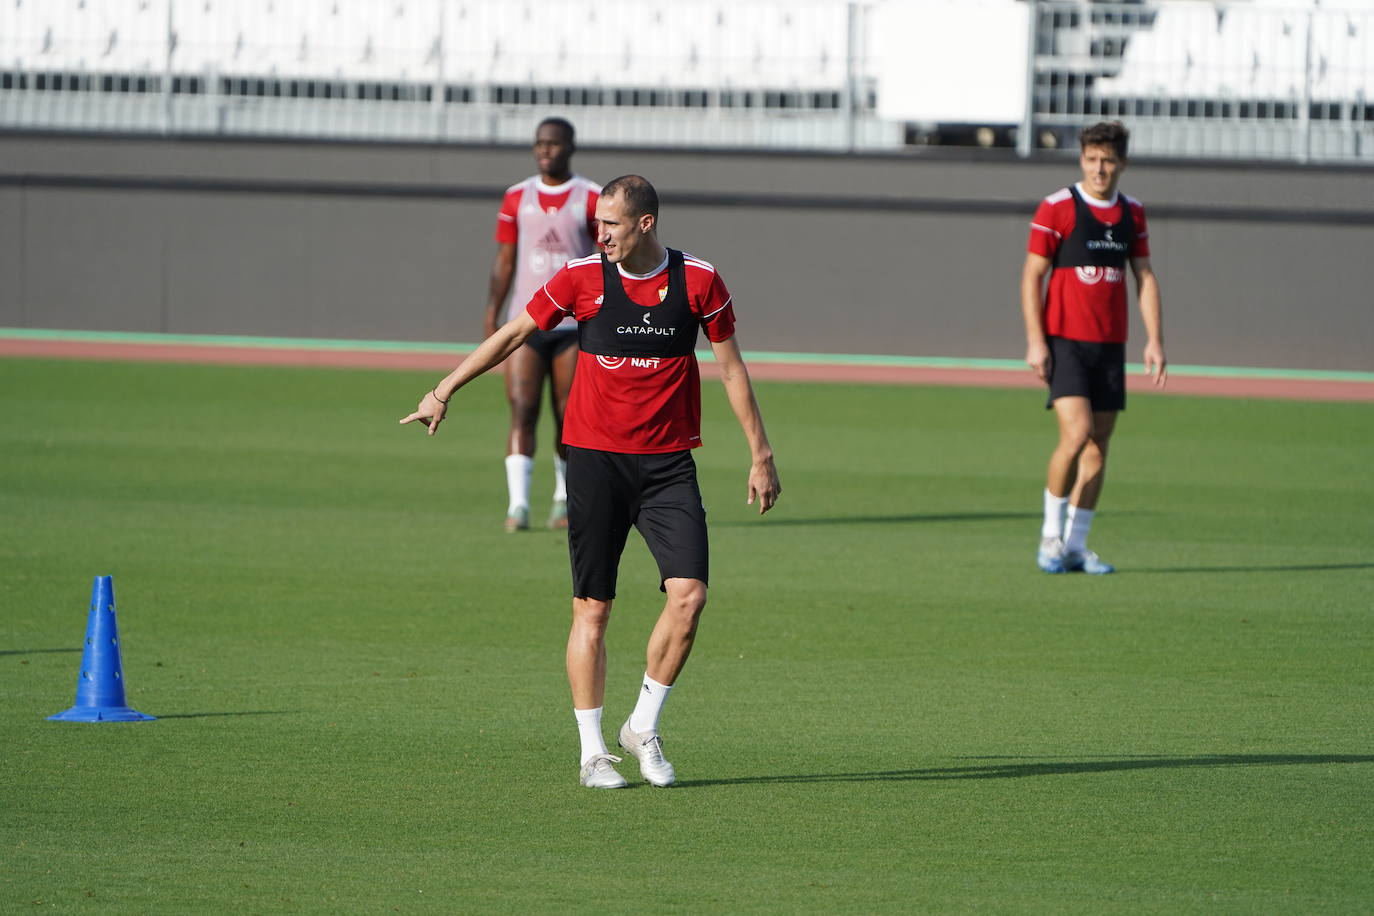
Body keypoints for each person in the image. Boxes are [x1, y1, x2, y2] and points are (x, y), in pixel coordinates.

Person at [402, 175, 782, 789]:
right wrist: (442, 390)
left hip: (668, 466)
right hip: (594, 464)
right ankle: (592, 753)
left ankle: (643, 727)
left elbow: (732, 370)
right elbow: (514, 334)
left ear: (645, 224)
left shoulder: (698, 280)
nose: (598, 233)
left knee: (689, 596)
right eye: (598, 222)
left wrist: (760, 453)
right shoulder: (580, 278)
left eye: (610, 223)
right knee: (593, 609)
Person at [1021, 121, 1167, 575]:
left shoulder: (1132, 213)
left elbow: (1144, 276)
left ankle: (1076, 546)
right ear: (1081, 160)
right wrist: (1036, 341)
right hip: (1066, 341)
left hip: (1109, 345)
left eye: (1107, 160)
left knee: (1099, 447)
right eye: (1091, 159)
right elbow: (1032, 276)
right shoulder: (1058, 207)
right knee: (1077, 433)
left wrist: (1154, 340)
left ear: (1123, 163)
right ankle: (1050, 536)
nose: (1099, 169)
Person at [484, 117, 601, 532]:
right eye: (539, 143)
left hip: (573, 327)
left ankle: (563, 498)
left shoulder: (591, 198)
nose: (544, 150)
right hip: (527, 323)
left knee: (568, 415)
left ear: (570, 146)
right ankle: (518, 506)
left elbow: (607, 259)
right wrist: (492, 314)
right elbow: (504, 261)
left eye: (553, 143)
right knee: (522, 408)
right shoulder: (517, 197)